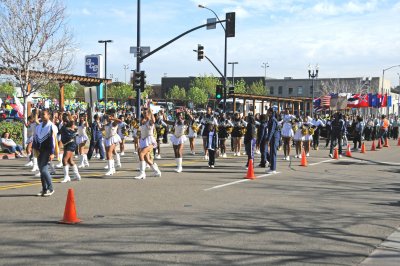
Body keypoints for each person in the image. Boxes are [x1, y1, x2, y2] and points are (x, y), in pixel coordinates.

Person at [32, 109, 58, 197]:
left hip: (47, 150)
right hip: (40, 150)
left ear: (49, 116)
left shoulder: (52, 126)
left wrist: (52, 153)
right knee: (41, 170)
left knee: (43, 169)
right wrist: (35, 148)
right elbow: (35, 137)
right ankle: (44, 189)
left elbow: (53, 141)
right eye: (41, 114)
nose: (42, 116)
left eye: (44, 114)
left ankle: (51, 188)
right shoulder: (39, 126)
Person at [134, 106, 161, 179]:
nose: (144, 114)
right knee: (147, 159)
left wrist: (151, 113)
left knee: (141, 154)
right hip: (143, 140)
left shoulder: (150, 121)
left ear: (149, 113)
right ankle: (157, 171)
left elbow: (153, 121)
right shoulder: (142, 121)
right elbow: (140, 132)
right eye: (143, 112)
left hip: (150, 140)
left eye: (146, 113)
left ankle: (142, 173)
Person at [59, 113, 81, 183]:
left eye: (64, 117)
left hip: (70, 143)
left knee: (64, 160)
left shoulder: (71, 124)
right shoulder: (63, 125)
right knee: (70, 161)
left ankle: (66, 177)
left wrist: (70, 116)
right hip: (66, 144)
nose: (63, 118)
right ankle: (77, 176)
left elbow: (74, 127)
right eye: (63, 117)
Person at [103, 109, 122, 176]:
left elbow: (120, 121)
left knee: (109, 153)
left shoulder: (113, 123)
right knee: (109, 153)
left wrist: (112, 118)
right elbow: (103, 129)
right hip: (107, 139)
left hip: (113, 138)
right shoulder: (106, 123)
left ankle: (110, 169)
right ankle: (113, 168)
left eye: (108, 116)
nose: (107, 117)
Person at [266, 108, 280, 174]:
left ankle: (273, 169)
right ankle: (271, 167)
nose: (267, 113)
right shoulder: (271, 119)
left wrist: (268, 139)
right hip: (272, 137)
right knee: (271, 153)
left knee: (273, 153)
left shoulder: (273, 120)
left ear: (271, 112)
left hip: (274, 137)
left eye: (268, 112)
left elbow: (271, 130)